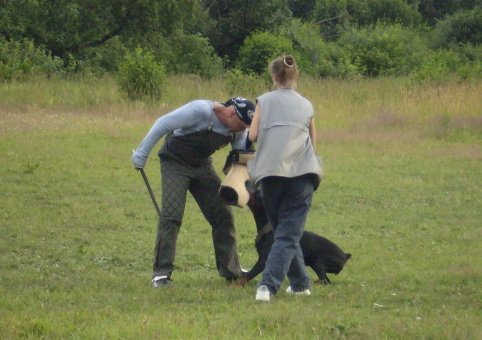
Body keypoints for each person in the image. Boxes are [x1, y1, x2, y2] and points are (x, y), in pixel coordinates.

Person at [131, 97, 255, 287]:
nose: (243, 129)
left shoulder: (238, 131)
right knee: (171, 216)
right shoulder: (200, 111)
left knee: (223, 216)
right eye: (242, 124)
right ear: (231, 113)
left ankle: (232, 271)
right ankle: (161, 274)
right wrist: (141, 153)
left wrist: (240, 183)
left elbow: (240, 158)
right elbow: (163, 123)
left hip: (202, 166)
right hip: (174, 163)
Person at [247, 55, 323, 301]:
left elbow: (253, 135)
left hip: (269, 174)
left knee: (284, 232)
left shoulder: (263, 101)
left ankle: (300, 284)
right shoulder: (307, 105)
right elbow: (312, 142)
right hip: (300, 175)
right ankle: (267, 287)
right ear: (295, 75)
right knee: (288, 234)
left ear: (273, 76)